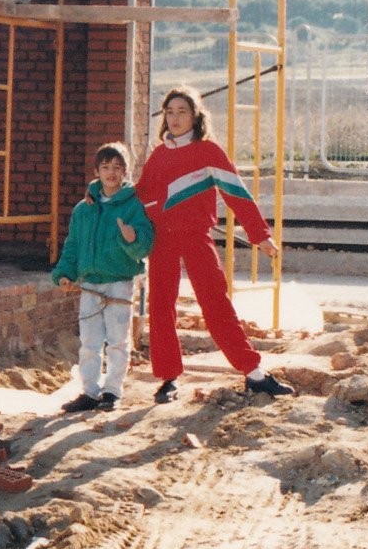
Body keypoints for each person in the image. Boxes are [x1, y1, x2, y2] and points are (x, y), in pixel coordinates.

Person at [137, 86, 292, 402]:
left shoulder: (209, 152)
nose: (176, 118)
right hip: (162, 240)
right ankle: (168, 378)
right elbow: (140, 193)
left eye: (182, 112)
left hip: (196, 238)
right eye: (170, 112)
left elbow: (236, 194)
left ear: (195, 115)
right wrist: (101, 194)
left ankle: (254, 373)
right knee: (162, 307)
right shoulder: (158, 154)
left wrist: (260, 235)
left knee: (215, 303)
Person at [51, 142, 154, 413]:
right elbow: (72, 245)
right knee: (89, 341)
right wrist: (63, 273)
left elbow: (144, 244)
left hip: (119, 282)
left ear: (125, 172)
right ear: (96, 171)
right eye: (105, 167)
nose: (111, 173)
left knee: (118, 340)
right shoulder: (83, 209)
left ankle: (112, 391)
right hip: (90, 284)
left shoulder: (132, 206)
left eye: (117, 168)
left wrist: (132, 239)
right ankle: (90, 391)